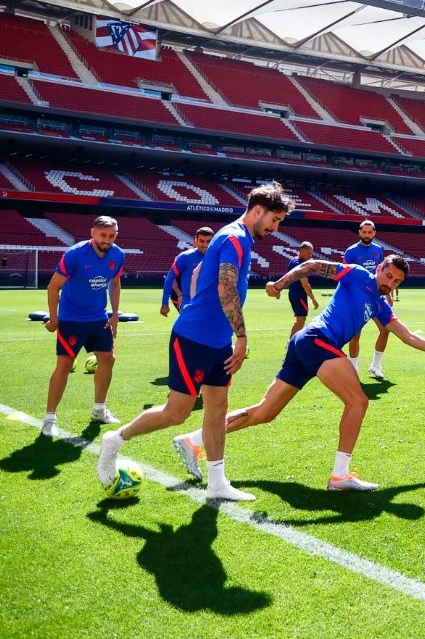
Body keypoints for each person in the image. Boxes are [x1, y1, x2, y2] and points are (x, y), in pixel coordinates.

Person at [171, 254, 425, 491]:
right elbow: (314, 265)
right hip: (317, 340)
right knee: (358, 401)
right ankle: (340, 476)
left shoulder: (380, 306)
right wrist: (280, 283)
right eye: (388, 275)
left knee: (264, 413)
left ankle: (193, 440)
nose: (389, 282)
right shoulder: (357, 275)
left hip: (306, 347)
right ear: (379, 268)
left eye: (396, 281)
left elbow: (409, 337)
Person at [96, 182, 295, 501]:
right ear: (258, 211)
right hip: (194, 338)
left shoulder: (238, 237)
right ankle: (115, 441)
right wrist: (242, 336)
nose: (275, 227)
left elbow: (203, 270)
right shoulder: (233, 237)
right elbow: (225, 290)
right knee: (177, 413)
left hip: (218, 341)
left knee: (217, 410)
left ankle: (217, 483)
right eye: (275, 220)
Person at [40, 216, 125, 437]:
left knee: (108, 359)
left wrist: (115, 313)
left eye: (112, 235)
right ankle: (49, 419)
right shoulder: (74, 254)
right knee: (65, 365)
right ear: (93, 233)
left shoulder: (118, 254)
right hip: (72, 320)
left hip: (99, 318)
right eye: (103, 235)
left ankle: (99, 410)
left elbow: (115, 283)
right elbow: (53, 287)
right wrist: (54, 318)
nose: (107, 240)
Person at [345, 220, 391, 379]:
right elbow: (344, 277)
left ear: (374, 233)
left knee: (386, 329)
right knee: (356, 334)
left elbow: (382, 274)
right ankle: (353, 369)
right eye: (364, 232)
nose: (366, 235)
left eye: (369, 232)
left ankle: (376, 365)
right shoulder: (350, 252)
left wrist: (388, 295)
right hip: (357, 299)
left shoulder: (378, 250)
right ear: (359, 233)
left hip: (376, 297)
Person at [160, 227, 213, 316]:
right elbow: (170, 278)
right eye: (202, 241)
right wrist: (164, 303)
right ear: (196, 240)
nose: (205, 245)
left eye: (208, 241)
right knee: (189, 329)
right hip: (189, 303)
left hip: (209, 303)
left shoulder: (217, 257)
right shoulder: (185, 257)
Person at [285, 241, 320, 337]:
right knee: (301, 321)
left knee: (300, 320)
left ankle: (292, 342)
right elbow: (305, 284)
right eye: (308, 253)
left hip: (293, 293)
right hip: (299, 295)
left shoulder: (293, 261)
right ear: (301, 251)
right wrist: (313, 299)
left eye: (311, 252)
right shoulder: (299, 264)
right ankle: (291, 343)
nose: (311, 255)